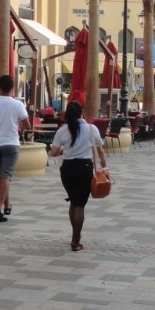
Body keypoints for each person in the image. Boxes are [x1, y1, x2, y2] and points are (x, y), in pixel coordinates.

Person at [49, 100, 107, 251]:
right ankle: (75, 240)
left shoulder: (62, 130)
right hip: (84, 168)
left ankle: (75, 235)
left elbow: (54, 152)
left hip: (67, 169)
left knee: (74, 202)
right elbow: (100, 149)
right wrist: (104, 164)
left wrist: (57, 150)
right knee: (79, 205)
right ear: (82, 112)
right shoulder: (91, 128)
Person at [0, 74, 26, 222]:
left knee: (3, 175)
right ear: (12, 87)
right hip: (12, 143)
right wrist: (17, 126)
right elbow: (26, 124)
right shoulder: (18, 104)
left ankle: (7, 204)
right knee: (6, 175)